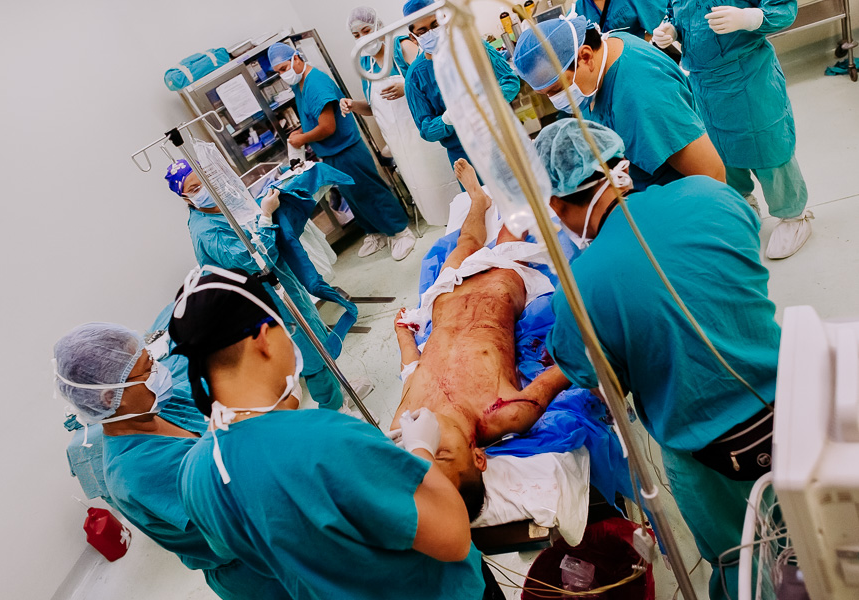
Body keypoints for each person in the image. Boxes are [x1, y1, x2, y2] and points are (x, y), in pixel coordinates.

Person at [536, 119, 779, 600]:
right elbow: (739, 267)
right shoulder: (710, 195)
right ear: (619, 164)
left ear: (557, 205)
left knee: (742, 560)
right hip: (797, 395)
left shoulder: (580, 287)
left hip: (710, 453)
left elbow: (600, 378)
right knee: (805, 527)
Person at [170, 266, 499, 599]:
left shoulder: (194, 473)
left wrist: (369, 466)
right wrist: (420, 453)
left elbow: (268, 548)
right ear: (264, 340)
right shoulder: (327, 440)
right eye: (287, 327)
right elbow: (453, 538)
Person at [53, 321, 279, 599]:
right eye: (148, 369)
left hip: (273, 538)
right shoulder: (137, 471)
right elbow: (238, 519)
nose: (159, 373)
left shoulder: (159, 408)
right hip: (259, 568)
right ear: (111, 396)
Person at [392, 159, 573, 498]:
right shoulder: (507, 413)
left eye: (419, 454)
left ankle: (478, 199)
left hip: (445, 301)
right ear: (478, 457)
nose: (425, 443)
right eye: (442, 452)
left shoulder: (404, 426)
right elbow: (573, 365)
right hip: (496, 294)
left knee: (465, 243)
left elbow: (411, 373)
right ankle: (523, 187)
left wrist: (405, 336)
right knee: (509, 239)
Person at [165, 159, 354, 414]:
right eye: (195, 188)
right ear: (185, 198)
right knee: (311, 356)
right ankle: (335, 411)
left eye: (205, 179)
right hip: (266, 298)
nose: (206, 188)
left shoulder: (221, 207)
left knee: (316, 336)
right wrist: (266, 216)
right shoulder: (206, 231)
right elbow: (255, 261)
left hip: (282, 287)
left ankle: (341, 390)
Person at [653, 0, 813, 259]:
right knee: (721, 150)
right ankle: (742, 203)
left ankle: (793, 216)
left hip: (750, 73)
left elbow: (783, 8)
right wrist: (670, 30)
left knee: (767, 145)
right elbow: (676, 11)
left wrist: (749, 18)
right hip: (705, 82)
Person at [513, 16, 725, 191]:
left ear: (585, 56)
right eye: (546, 94)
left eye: (558, 90)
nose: (555, 100)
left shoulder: (642, 92)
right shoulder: (601, 58)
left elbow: (712, 175)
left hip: (680, 208)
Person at [267, 42, 416, 260]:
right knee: (353, 197)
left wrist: (301, 140)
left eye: (283, 68)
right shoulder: (299, 85)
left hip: (346, 149)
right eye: (277, 72)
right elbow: (314, 118)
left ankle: (401, 231)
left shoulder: (316, 83)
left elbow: (328, 127)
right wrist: (301, 131)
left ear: (296, 58)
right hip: (331, 153)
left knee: (369, 191)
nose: (282, 75)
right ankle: (376, 232)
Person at [340, 6, 461, 226]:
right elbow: (373, 108)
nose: (362, 39)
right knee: (430, 199)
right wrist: (353, 105)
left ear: (378, 25)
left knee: (454, 194)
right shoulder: (365, 65)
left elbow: (433, 78)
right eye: (356, 35)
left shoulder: (402, 47)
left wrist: (407, 86)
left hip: (429, 140)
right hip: (405, 150)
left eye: (366, 31)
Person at [402, 0, 521, 187]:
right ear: (414, 38)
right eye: (423, 31)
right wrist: (448, 118)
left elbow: (509, 81)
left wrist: (488, 102)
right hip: (464, 157)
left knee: (526, 196)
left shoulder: (473, 45)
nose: (431, 32)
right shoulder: (415, 77)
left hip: (502, 138)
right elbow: (425, 129)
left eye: (435, 25)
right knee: (488, 209)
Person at [575, 0, 666, 40]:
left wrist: (643, 40)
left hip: (635, 53)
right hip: (603, 67)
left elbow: (657, 12)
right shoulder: (578, 9)